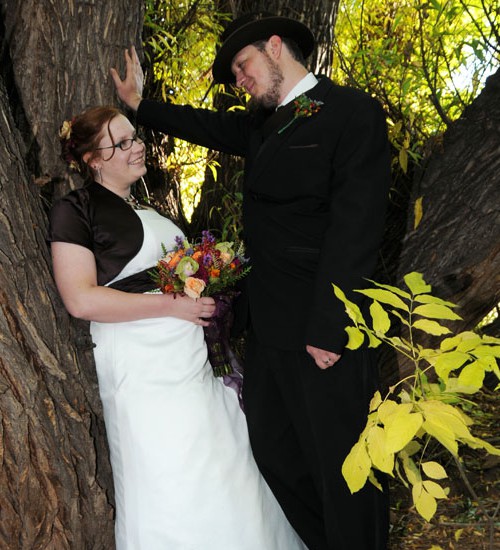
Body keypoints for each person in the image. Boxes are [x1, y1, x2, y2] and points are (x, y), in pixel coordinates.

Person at [111, 12, 391, 550]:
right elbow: (205, 126)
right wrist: (139, 105)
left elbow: (355, 227)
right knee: (275, 454)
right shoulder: (263, 125)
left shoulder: (352, 113)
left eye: (243, 66)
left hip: (323, 329)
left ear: (276, 47)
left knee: (346, 470)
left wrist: (330, 326)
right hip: (266, 329)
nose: (239, 81)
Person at [48, 105, 308, 550]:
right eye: (123, 143)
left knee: (226, 460)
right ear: (94, 160)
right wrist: (172, 306)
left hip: (192, 359)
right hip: (140, 365)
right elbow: (80, 299)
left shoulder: (147, 207)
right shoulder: (75, 210)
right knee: (171, 471)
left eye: (136, 137)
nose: (138, 147)